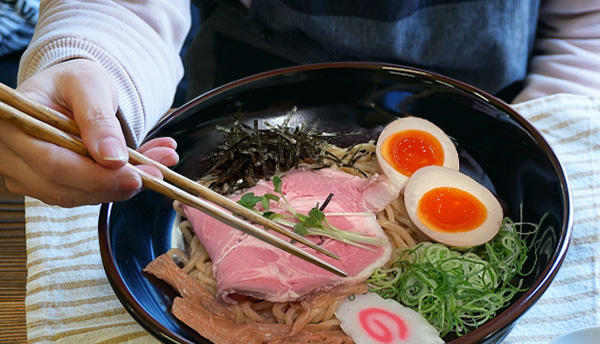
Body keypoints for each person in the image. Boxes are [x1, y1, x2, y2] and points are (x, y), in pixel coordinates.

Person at [1, 0, 599, 207]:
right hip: (228, 119)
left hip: (491, 130)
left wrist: (542, 143)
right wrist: (94, 66)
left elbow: (586, 28)